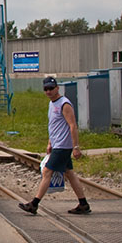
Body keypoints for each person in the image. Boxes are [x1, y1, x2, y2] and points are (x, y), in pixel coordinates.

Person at [18, 76, 91, 215]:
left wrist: (76, 147)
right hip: (57, 144)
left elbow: (72, 125)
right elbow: (54, 125)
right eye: (46, 89)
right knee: (69, 173)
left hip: (63, 146)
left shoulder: (64, 104)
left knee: (47, 171)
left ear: (57, 88)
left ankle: (34, 204)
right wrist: (50, 142)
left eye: (51, 88)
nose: (48, 91)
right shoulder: (52, 104)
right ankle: (83, 204)